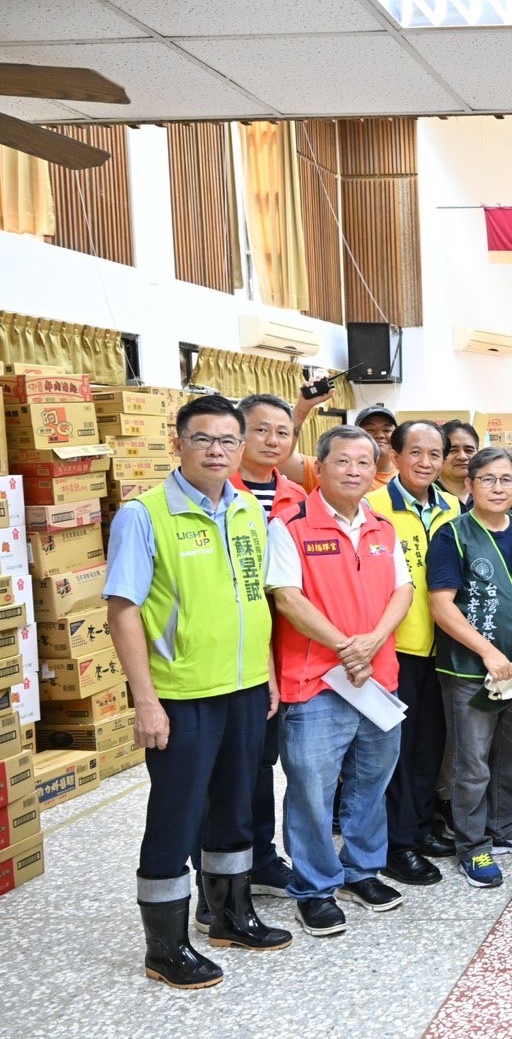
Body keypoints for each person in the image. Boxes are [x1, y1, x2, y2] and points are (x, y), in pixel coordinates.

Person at [106, 395, 290, 990]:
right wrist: (145, 699)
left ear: (240, 448)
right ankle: (165, 947)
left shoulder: (247, 510)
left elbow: (253, 597)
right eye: (203, 439)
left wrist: (265, 669)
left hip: (244, 689)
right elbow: (123, 611)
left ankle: (230, 916)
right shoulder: (145, 515)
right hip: (181, 694)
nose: (217, 451)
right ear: (178, 443)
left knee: (237, 807)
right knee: (176, 815)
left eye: (227, 440)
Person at [268, 425, 414, 937]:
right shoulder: (289, 525)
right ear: (320, 467)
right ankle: (314, 887)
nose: (354, 471)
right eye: (342, 461)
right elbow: (287, 597)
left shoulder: (382, 527)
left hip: (377, 679)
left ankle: (362, 870)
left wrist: (371, 642)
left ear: (375, 470)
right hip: (316, 682)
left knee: (372, 781)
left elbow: (403, 591)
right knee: (312, 788)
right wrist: (347, 646)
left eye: (363, 463)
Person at [428, 448, 512, 888]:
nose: (498, 488)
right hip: (472, 670)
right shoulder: (453, 535)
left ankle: (506, 827)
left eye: (506, 479)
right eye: (487, 479)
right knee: (472, 763)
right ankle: (472, 845)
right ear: (470, 485)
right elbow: (441, 605)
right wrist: (487, 652)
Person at [367, 421, 460, 887]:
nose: (426, 462)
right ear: (396, 455)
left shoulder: (452, 507)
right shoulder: (373, 506)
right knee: (396, 751)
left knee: (429, 745)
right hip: (394, 647)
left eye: (435, 454)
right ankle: (396, 845)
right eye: (416, 452)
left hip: (442, 647)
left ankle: (421, 828)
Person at [228, 394, 308, 899]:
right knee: (232, 769)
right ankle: (227, 870)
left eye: (282, 431)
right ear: (239, 434)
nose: (272, 440)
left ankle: (261, 857)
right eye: (261, 430)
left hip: (287, 649)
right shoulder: (219, 491)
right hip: (234, 651)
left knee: (265, 761)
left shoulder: (297, 497)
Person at [285, 384, 399, 492]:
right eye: (370, 430)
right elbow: (284, 460)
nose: (380, 435)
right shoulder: (328, 468)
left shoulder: (405, 476)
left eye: (387, 430)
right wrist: (303, 407)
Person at [438, 420, 480, 508]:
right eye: (453, 450)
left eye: (469, 450)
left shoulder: (488, 496)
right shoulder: (427, 497)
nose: (462, 457)